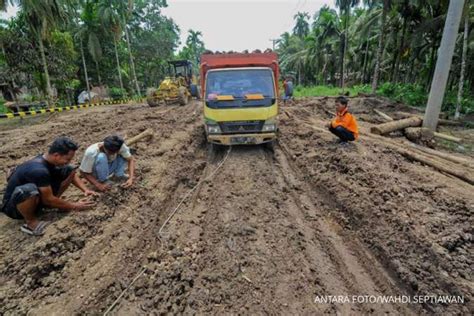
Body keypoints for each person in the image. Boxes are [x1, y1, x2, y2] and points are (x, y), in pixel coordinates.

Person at [1, 137, 98, 236]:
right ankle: (31, 223)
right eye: (67, 159)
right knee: (28, 190)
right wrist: (74, 205)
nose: (68, 161)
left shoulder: (48, 161)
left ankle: (53, 204)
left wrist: (85, 190)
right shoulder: (38, 170)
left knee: (69, 169)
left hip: (37, 198)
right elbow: (48, 199)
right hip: (14, 208)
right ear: (56, 155)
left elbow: (71, 174)